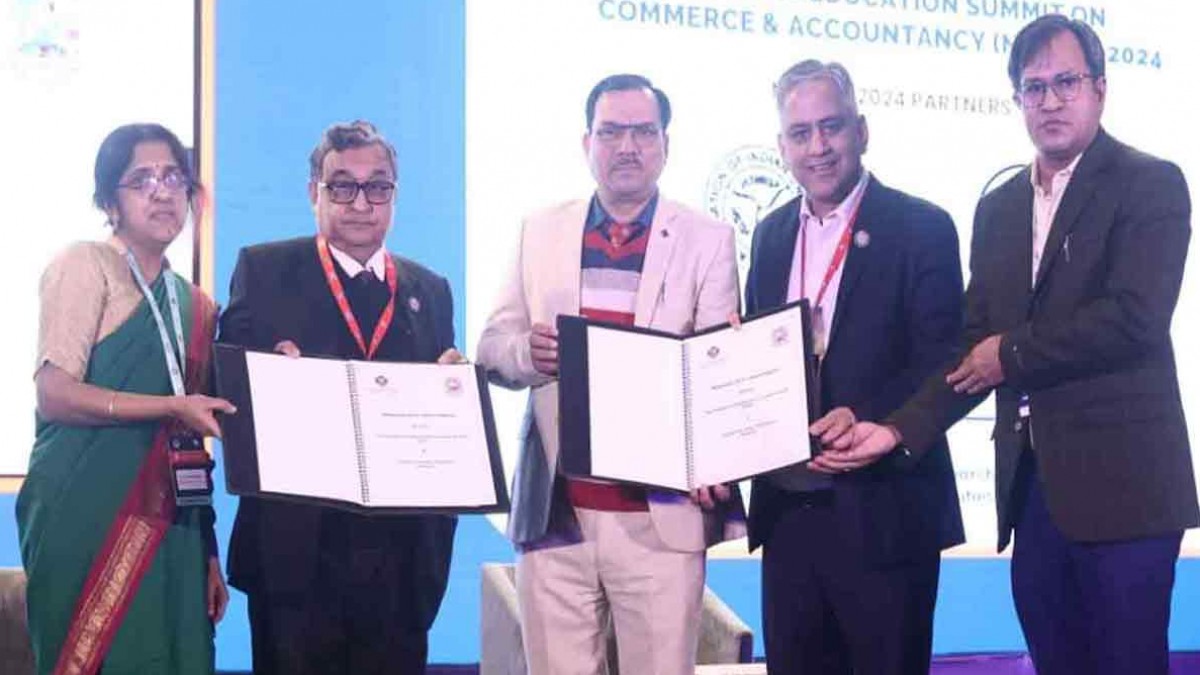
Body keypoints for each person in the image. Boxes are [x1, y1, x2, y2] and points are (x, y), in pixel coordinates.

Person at [823, 15, 1199, 675]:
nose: (1050, 101)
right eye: (1034, 87)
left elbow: (1134, 317)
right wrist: (899, 428)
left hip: (1127, 496)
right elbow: (973, 347)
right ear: (1018, 98)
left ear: (1100, 88)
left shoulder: (1149, 182)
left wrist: (1012, 354)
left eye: (1066, 82)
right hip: (1033, 495)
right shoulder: (998, 207)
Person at [476, 73, 744, 675]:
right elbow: (492, 348)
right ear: (586, 143)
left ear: (666, 144)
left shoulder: (708, 239)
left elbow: (718, 374)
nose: (627, 146)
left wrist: (719, 458)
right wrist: (527, 354)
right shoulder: (539, 229)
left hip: (660, 517)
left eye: (643, 132)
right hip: (557, 516)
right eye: (611, 132)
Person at [741, 60, 965, 674]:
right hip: (789, 519)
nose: (818, 146)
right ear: (782, 147)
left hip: (886, 516)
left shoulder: (921, 226)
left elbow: (945, 357)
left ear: (861, 131)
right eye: (801, 133)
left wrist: (869, 415)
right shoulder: (769, 236)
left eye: (831, 126)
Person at [219, 120, 462, 675]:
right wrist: (265, 375)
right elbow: (224, 388)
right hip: (298, 553)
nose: (361, 203)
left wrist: (454, 388)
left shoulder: (429, 289)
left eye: (377, 187)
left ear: (394, 195)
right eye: (343, 186)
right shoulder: (265, 269)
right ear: (315, 192)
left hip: (402, 556)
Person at [17, 123, 233, 675]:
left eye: (174, 178)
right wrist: (166, 408)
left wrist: (208, 551)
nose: (162, 192)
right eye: (142, 180)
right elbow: (55, 394)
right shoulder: (85, 265)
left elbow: (192, 435)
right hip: (84, 515)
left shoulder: (195, 305)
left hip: (173, 527)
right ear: (109, 201)